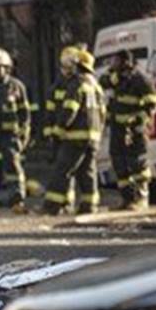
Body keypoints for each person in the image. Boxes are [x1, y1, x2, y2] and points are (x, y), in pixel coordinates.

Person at [42, 49, 105, 215]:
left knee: (62, 170)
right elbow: (103, 113)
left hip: (75, 136)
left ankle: (51, 206)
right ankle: (89, 206)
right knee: (87, 172)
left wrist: (58, 130)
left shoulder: (77, 83)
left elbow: (70, 109)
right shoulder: (96, 86)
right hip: (93, 137)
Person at [99, 49, 156, 210]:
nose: (113, 63)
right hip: (118, 129)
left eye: (115, 60)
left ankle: (141, 198)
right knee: (119, 163)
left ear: (125, 61)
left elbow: (152, 103)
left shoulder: (140, 79)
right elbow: (102, 82)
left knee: (137, 163)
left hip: (134, 130)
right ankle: (127, 199)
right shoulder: (117, 78)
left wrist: (139, 120)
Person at [0, 48, 31, 214]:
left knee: (13, 169)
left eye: (1, 67)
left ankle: (17, 200)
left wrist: (24, 134)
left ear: (8, 68)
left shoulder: (17, 87)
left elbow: (25, 114)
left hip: (10, 137)